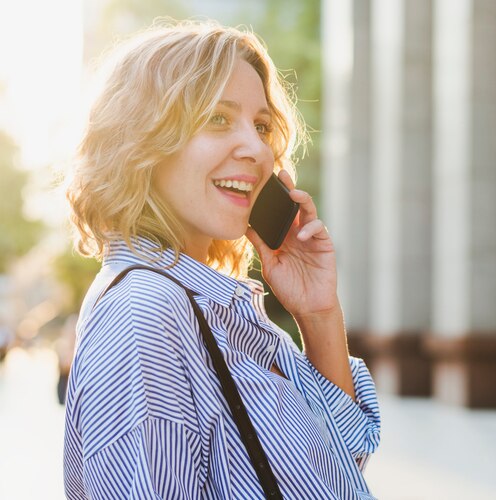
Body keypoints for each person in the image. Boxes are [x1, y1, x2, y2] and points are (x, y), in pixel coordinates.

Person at [63, 19, 381, 500]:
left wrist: (317, 313)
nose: (256, 148)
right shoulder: (148, 312)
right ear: (141, 141)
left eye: (261, 126)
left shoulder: (215, 309)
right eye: (217, 118)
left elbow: (343, 458)